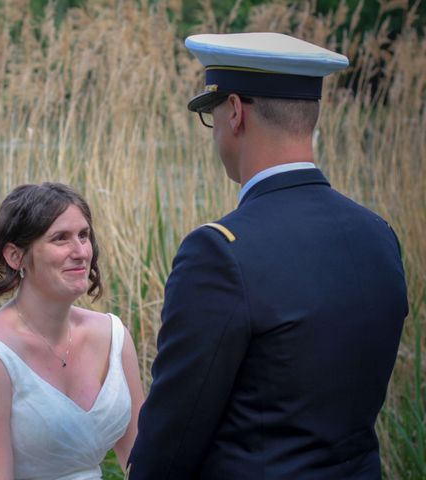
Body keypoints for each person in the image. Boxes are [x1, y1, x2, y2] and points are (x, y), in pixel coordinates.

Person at [128, 33, 408, 479]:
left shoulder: (219, 252)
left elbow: (172, 437)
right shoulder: (378, 235)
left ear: (235, 112)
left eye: (212, 116)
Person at [0, 182, 144, 480]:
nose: (80, 252)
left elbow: (142, 459)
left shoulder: (113, 336)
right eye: (60, 238)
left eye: (84, 235)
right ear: (15, 257)